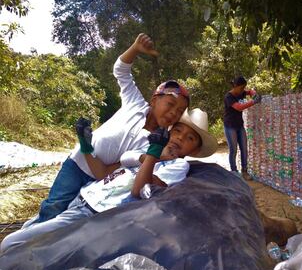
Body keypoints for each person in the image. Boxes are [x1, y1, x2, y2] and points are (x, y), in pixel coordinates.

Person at [1, 108, 218, 252]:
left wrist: (152, 155)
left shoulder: (178, 165)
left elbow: (139, 190)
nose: (180, 137)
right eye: (178, 131)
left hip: (93, 213)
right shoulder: (148, 151)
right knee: (32, 228)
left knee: (13, 244)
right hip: (84, 197)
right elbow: (115, 165)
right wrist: (87, 148)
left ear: (195, 149)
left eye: (189, 138)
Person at [28, 33, 190, 225]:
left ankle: (37, 241)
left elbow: (111, 172)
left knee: (66, 219)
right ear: (154, 100)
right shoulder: (135, 103)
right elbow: (121, 70)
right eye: (170, 104)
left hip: (97, 180)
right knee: (53, 206)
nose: (173, 113)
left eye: (179, 111)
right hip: (77, 162)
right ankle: (28, 245)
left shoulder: (155, 145)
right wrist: (135, 49)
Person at [223, 76, 261, 180]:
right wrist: (253, 102)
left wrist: (254, 94)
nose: (242, 90)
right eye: (241, 88)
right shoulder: (228, 97)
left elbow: (250, 91)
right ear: (235, 86)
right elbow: (239, 108)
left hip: (240, 125)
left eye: (243, 88)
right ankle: (234, 172)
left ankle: (245, 171)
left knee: (244, 148)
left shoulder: (241, 92)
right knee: (233, 149)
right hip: (230, 126)